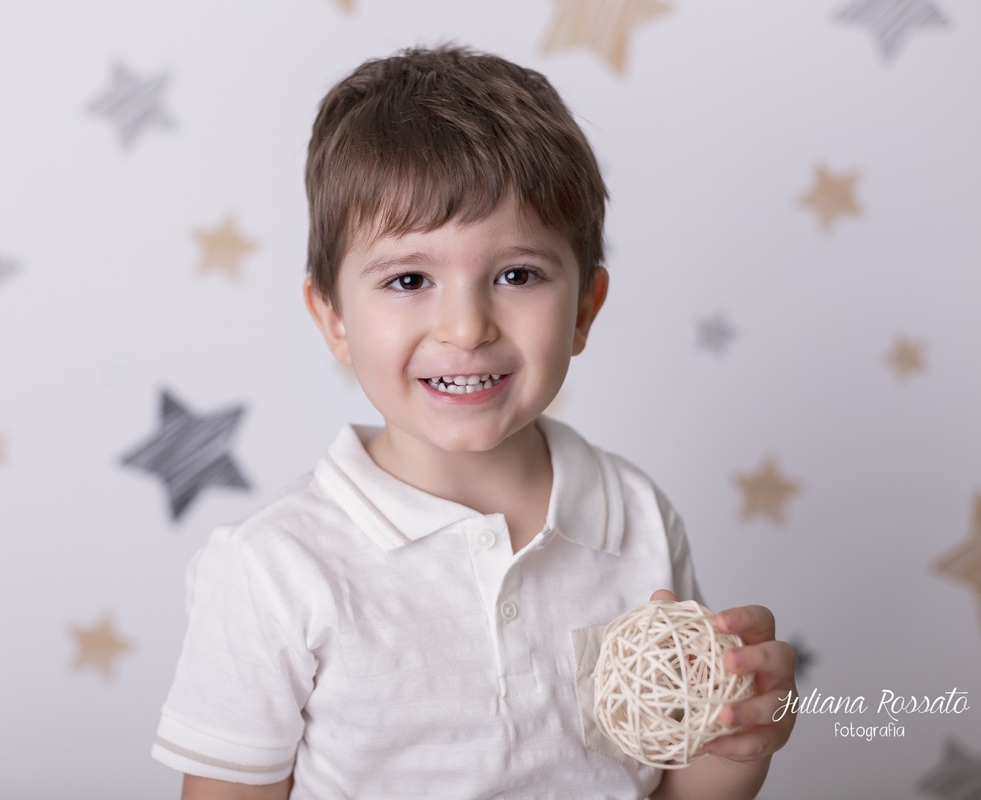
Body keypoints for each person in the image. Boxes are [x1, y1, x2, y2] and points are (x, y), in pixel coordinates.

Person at [151, 45, 796, 800]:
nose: (465, 326)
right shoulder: (275, 571)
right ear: (333, 318)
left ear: (585, 308)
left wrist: (739, 739)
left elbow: (672, 786)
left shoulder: (637, 518)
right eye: (409, 279)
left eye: (516, 275)